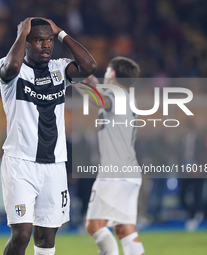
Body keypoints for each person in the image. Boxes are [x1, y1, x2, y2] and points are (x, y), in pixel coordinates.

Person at [0, 17, 96, 255]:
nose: (46, 45)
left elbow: (90, 67)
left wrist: (60, 33)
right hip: (20, 164)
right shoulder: (10, 71)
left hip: (54, 165)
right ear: (26, 43)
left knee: (46, 235)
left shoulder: (59, 68)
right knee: (21, 235)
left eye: (49, 40)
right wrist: (21, 34)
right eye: (39, 40)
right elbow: (11, 68)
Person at [74, 57, 145, 255]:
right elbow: (103, 94)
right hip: (130, 173)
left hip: (114, 173)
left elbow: (99, 100)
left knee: (94, 225)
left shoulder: (117, 96)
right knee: (125, 230)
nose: (105, 74)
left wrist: (74, 82)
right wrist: (91, 82)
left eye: (107, 71)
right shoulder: (126, 96)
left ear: (112, 74)